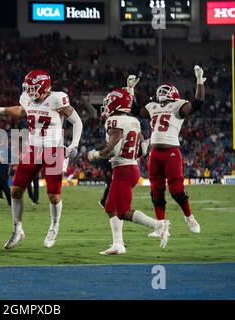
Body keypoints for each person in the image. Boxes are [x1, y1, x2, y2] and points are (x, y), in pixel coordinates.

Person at [0, 69, 83, 249]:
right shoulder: (27, 98)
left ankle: (54, 226)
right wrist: (0, 110)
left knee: (54, 196)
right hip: (34, 149)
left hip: (53, 150)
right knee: (15, 190)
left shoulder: (57, 99)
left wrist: (74, 144)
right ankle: (17, 229)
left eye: (33, 88)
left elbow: (77, 121)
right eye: (28, 88)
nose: (29, 92)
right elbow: (20, 111)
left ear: (44, 87)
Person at [87, 88, 169, 255]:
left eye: (109, 102)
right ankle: (118, 244)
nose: (107, 106)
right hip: (130, 168)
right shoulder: (134, 121)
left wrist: (96, 154)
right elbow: (141, 151)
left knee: (123, 211)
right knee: (110, 206)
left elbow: (112, 150)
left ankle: (158, 225)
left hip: (123, 170)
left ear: (116, 104)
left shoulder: (114, 121)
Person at [136, 66, 205, 236]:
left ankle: (189, 217)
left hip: (171, 152)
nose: (162, 93)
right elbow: (134, 109)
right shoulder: (152, 106)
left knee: (176, 190)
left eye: (166, 91)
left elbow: (197, 103)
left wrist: (199, 83)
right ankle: (161, 227)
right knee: (156, 191)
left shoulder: (178, 106)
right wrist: (130, 90)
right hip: (155, 154)